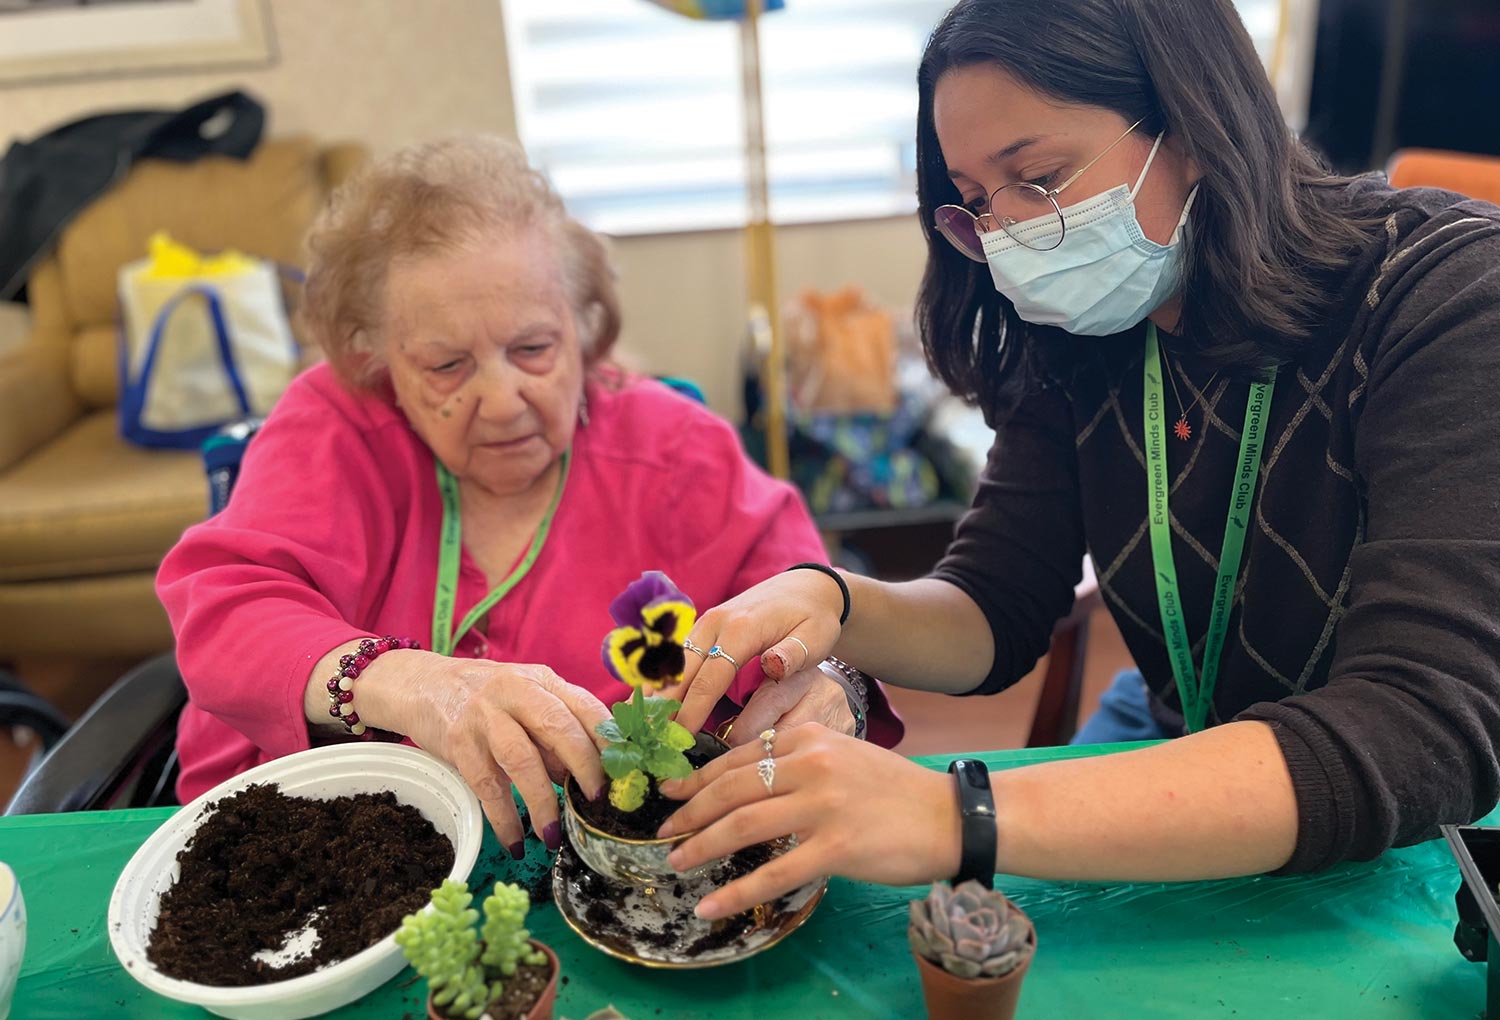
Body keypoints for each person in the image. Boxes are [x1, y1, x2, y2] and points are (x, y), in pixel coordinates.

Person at [661, 0, 1500, 922]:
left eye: (1041, 179)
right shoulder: (1087, 331)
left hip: (1421, 847)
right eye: (976, 202)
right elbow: (997, 602)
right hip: (1192, 754)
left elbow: (1420, 729)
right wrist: (835, 600)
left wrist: (961, 815)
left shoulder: (1445, 300)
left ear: (1193, 124)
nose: (1010, 237)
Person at [156, 137, 898, 858]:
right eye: (448, 364)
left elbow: (818, 621)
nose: (505, 401)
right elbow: (224, 615)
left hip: (615, 868)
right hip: (323, 847)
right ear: (374, 358)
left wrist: (835, 687)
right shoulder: (338, 425)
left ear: (585, 328)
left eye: (534, 350)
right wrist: (414, 683)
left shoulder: (677, 452)